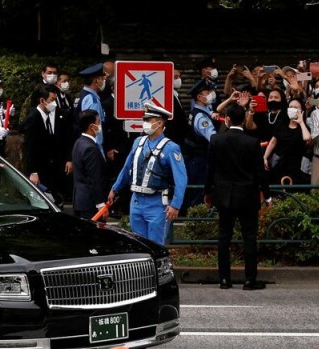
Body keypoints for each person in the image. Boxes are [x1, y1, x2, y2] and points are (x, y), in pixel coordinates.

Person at [205, 103, 271, 290]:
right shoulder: (252, 142)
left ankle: (224, 279)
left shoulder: (216, 140)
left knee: (224, 237)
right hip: (247, 195)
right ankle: (250, 279)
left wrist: (207, 192)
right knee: (249, 237)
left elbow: (210, 169)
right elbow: (260, 172)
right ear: (243, 120)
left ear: (227, 119)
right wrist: (267, 196)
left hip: (223, 194)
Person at [108, 102, 187, 246]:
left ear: (159, 123)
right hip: (137, 200)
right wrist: (115, 188)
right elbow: (127, 168)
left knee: (156, 245)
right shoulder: (138, 142)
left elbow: (181, 179)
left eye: (148, 120)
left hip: (157, 202)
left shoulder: (171, 148)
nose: (145, 123)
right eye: (144, 120)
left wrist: (175, 204)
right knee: (139, 244)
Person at [20, 84, 72, 199]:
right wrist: (32, 172)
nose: (54, 104)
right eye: (52, 100)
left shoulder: (45, 117)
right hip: (37, 171)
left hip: (48, 170)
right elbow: (29, 147)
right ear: (42, 100)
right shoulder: (34, 117)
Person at [183, 79, 217, 211]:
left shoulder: (199, 111)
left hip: (194, 160)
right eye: (207, 92)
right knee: (199, 192)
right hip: (200, 161)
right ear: (199, 97)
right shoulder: (201, 118)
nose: (210, 94)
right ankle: (197, 220)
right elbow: (212, 138)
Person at [264, 98, 312, 185]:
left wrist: (301, 122)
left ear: (301, 110)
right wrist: (265, 157)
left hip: (297, 166)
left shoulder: (304, 127)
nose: (293, 109)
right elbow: (273, 142)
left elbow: (307, 138)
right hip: (279, 163)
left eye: (296, 107)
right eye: (291, 107)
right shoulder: (281, 124)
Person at [71, 110, 107, 220]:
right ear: (92, 126)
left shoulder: (79, 142)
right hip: (90, 204)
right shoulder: (90, 148)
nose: (100, 125)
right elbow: (94, 178)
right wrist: (101, 205)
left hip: (79, 200)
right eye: (98, 122)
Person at [75, 63, 107, 154]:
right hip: (92, 147)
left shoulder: (81, 95)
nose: (104, 81)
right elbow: (93, 127)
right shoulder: (92, 100)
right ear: (96, 81)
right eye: (102, 79)